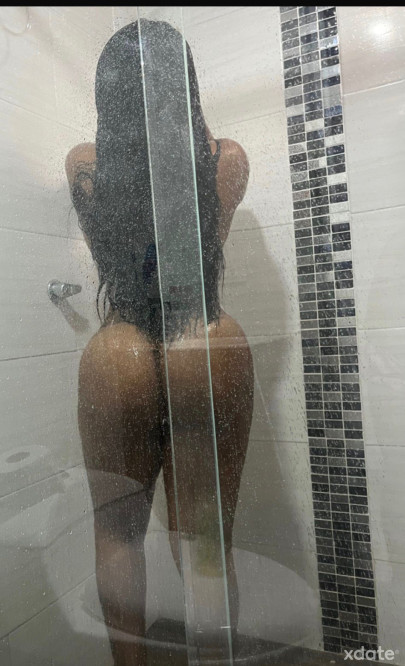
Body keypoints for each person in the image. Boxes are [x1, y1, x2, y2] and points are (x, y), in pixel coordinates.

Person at [66, 19, 253, 666]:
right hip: (204, 335)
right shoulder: (227, 159)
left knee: (117, 536)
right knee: (206, 540)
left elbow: (118, 255)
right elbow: (199, 245)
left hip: (115, 349)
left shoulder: (84, 165)